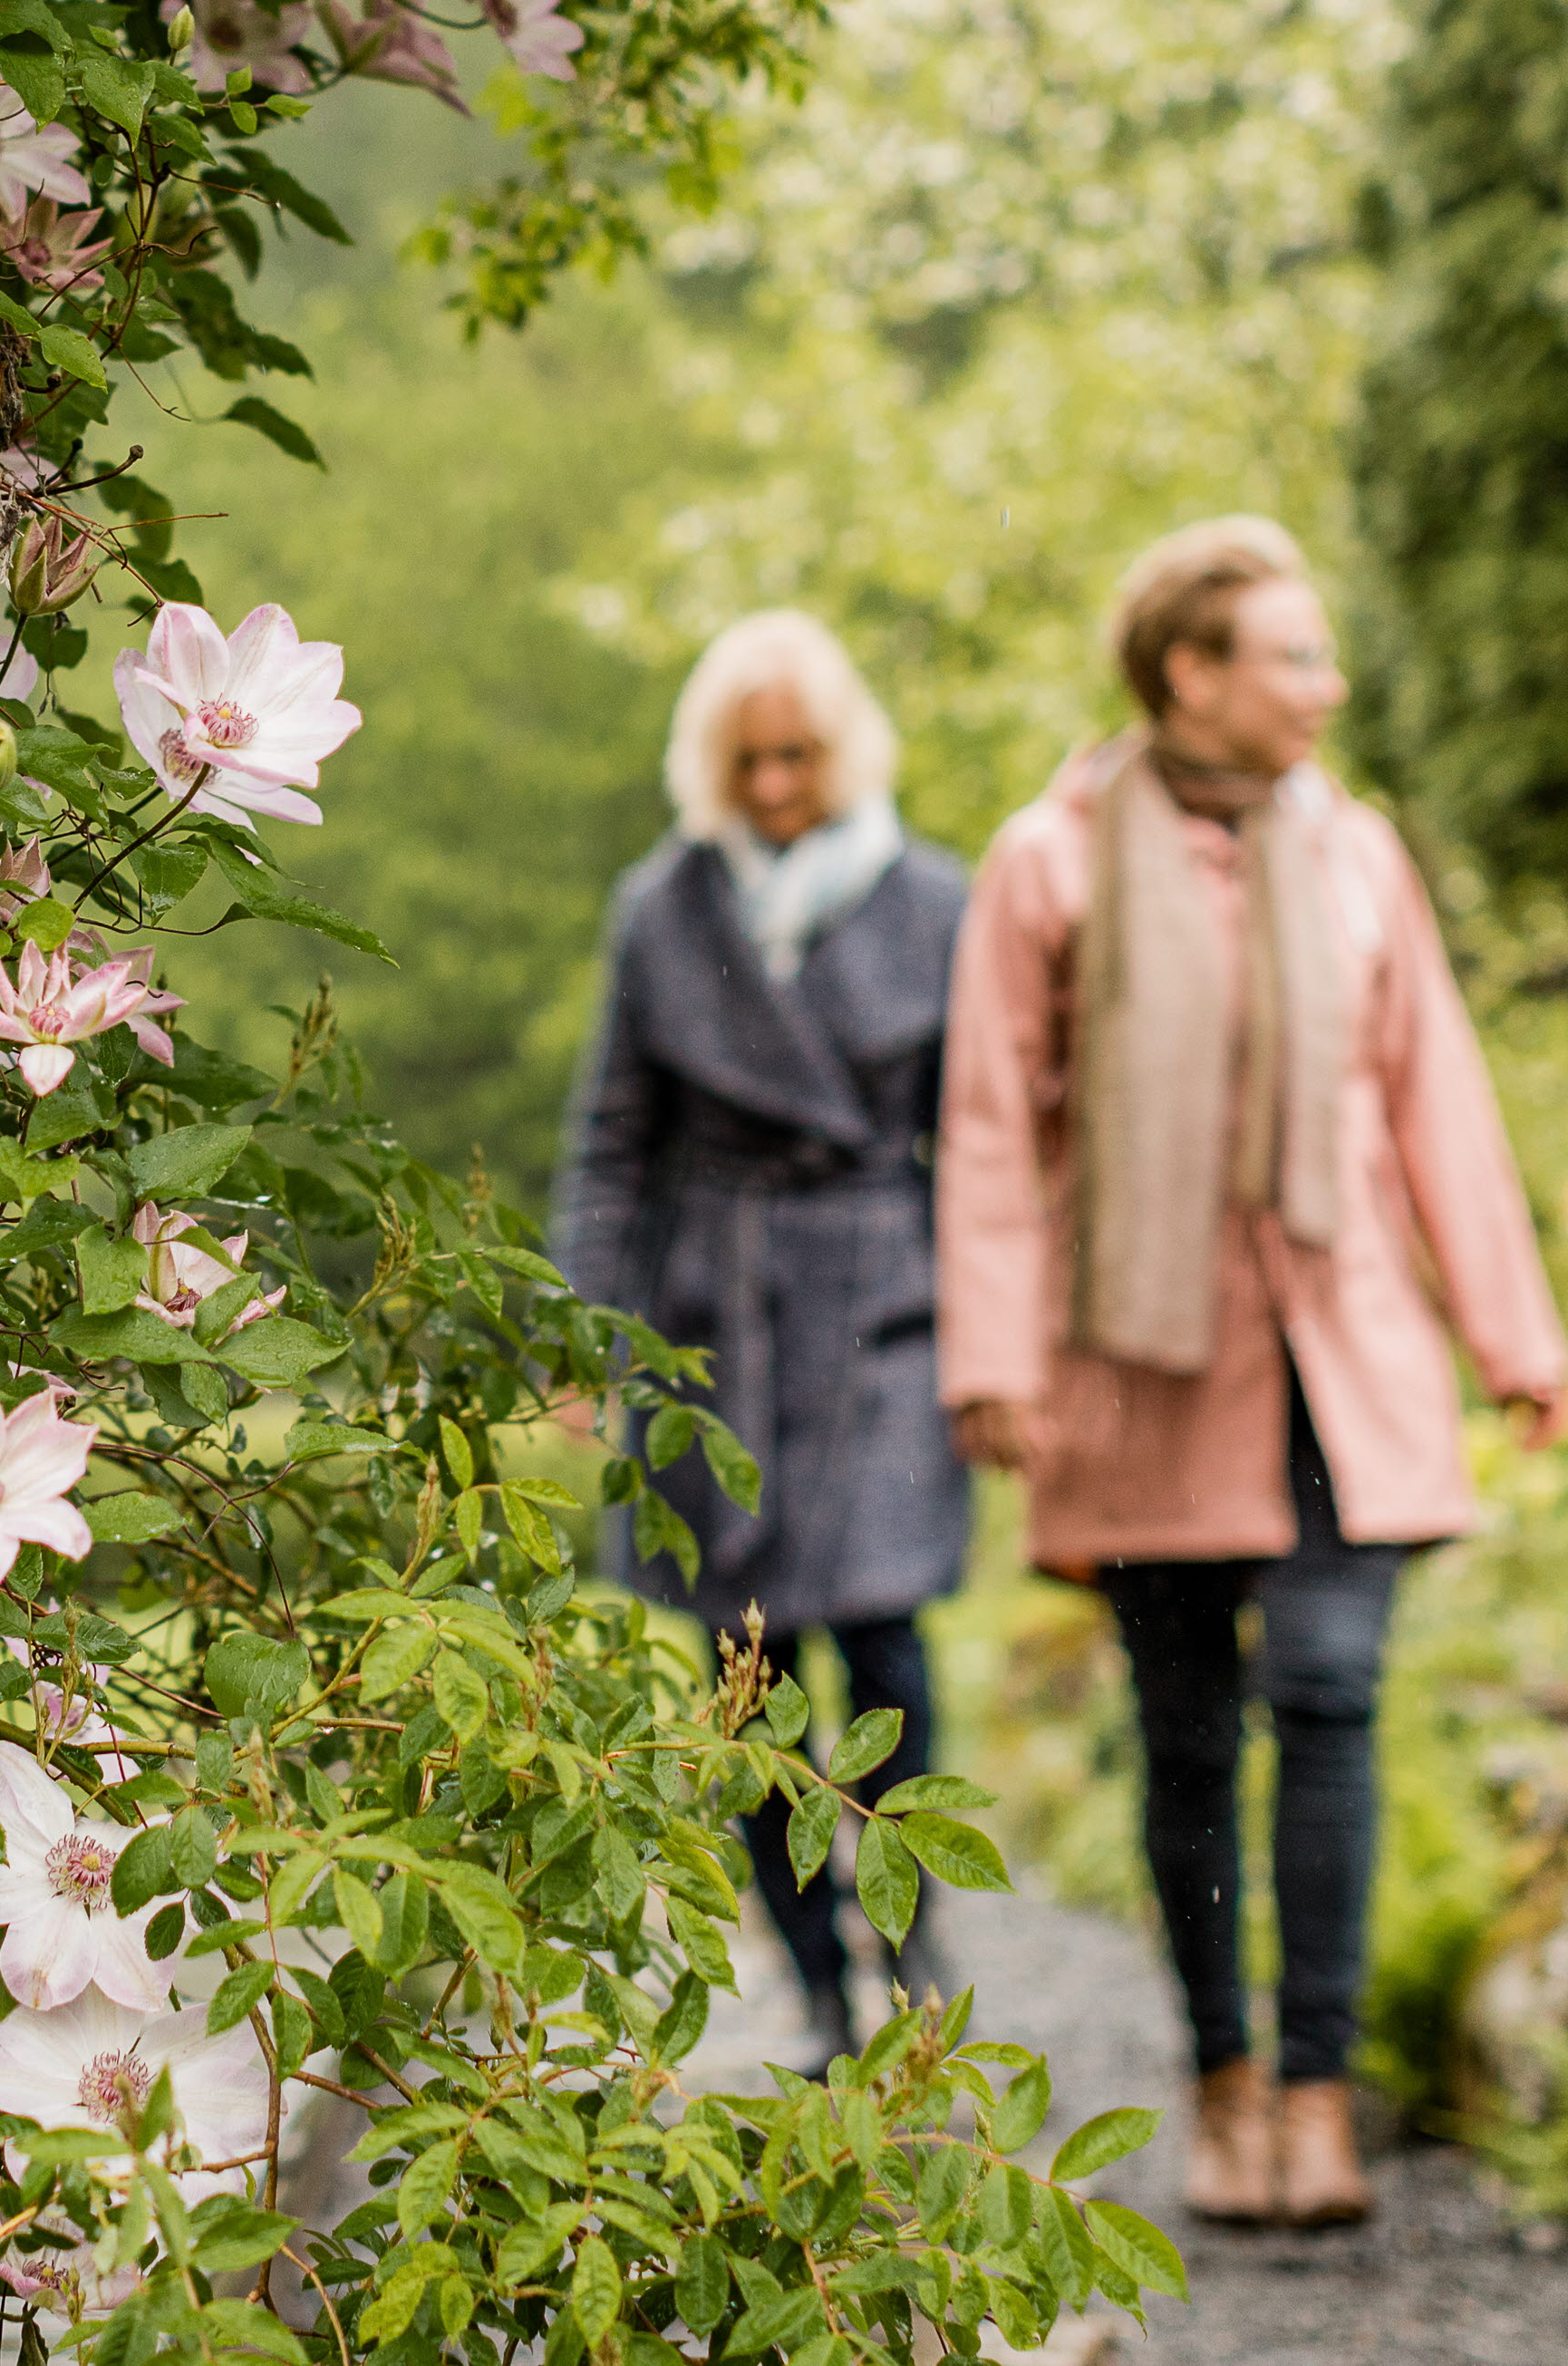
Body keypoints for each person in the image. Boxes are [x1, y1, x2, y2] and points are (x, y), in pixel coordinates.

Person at [933, 519, 1568, 2228]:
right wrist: (990, 1356)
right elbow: (992, 1126)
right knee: (1188, 1732)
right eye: (1292, 655)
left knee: (1335, 1687)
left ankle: (1318, 2090)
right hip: (1143, 1362)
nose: (1327, 685)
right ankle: (1217, 2079)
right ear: (1187, 672)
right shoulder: (1049, 860)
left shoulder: (1358, 851)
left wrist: (1515, 1335)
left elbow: (1439, 1092)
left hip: (1341, 1346)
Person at [555, 610, 974, 2061]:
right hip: (714, 1309)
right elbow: (612, 1141)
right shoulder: (661, 907)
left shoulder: (934, 899)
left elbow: (979, 1145)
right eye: (752, 760)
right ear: (713, 764)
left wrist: (1001, 1346)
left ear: (841, 748)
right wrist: (584, 1336)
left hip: (881, 1304)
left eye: (799, 754)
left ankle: (920, 1961)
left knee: (888, 1629)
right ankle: (815, 1985)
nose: (779, 784)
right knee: (752, 1663)